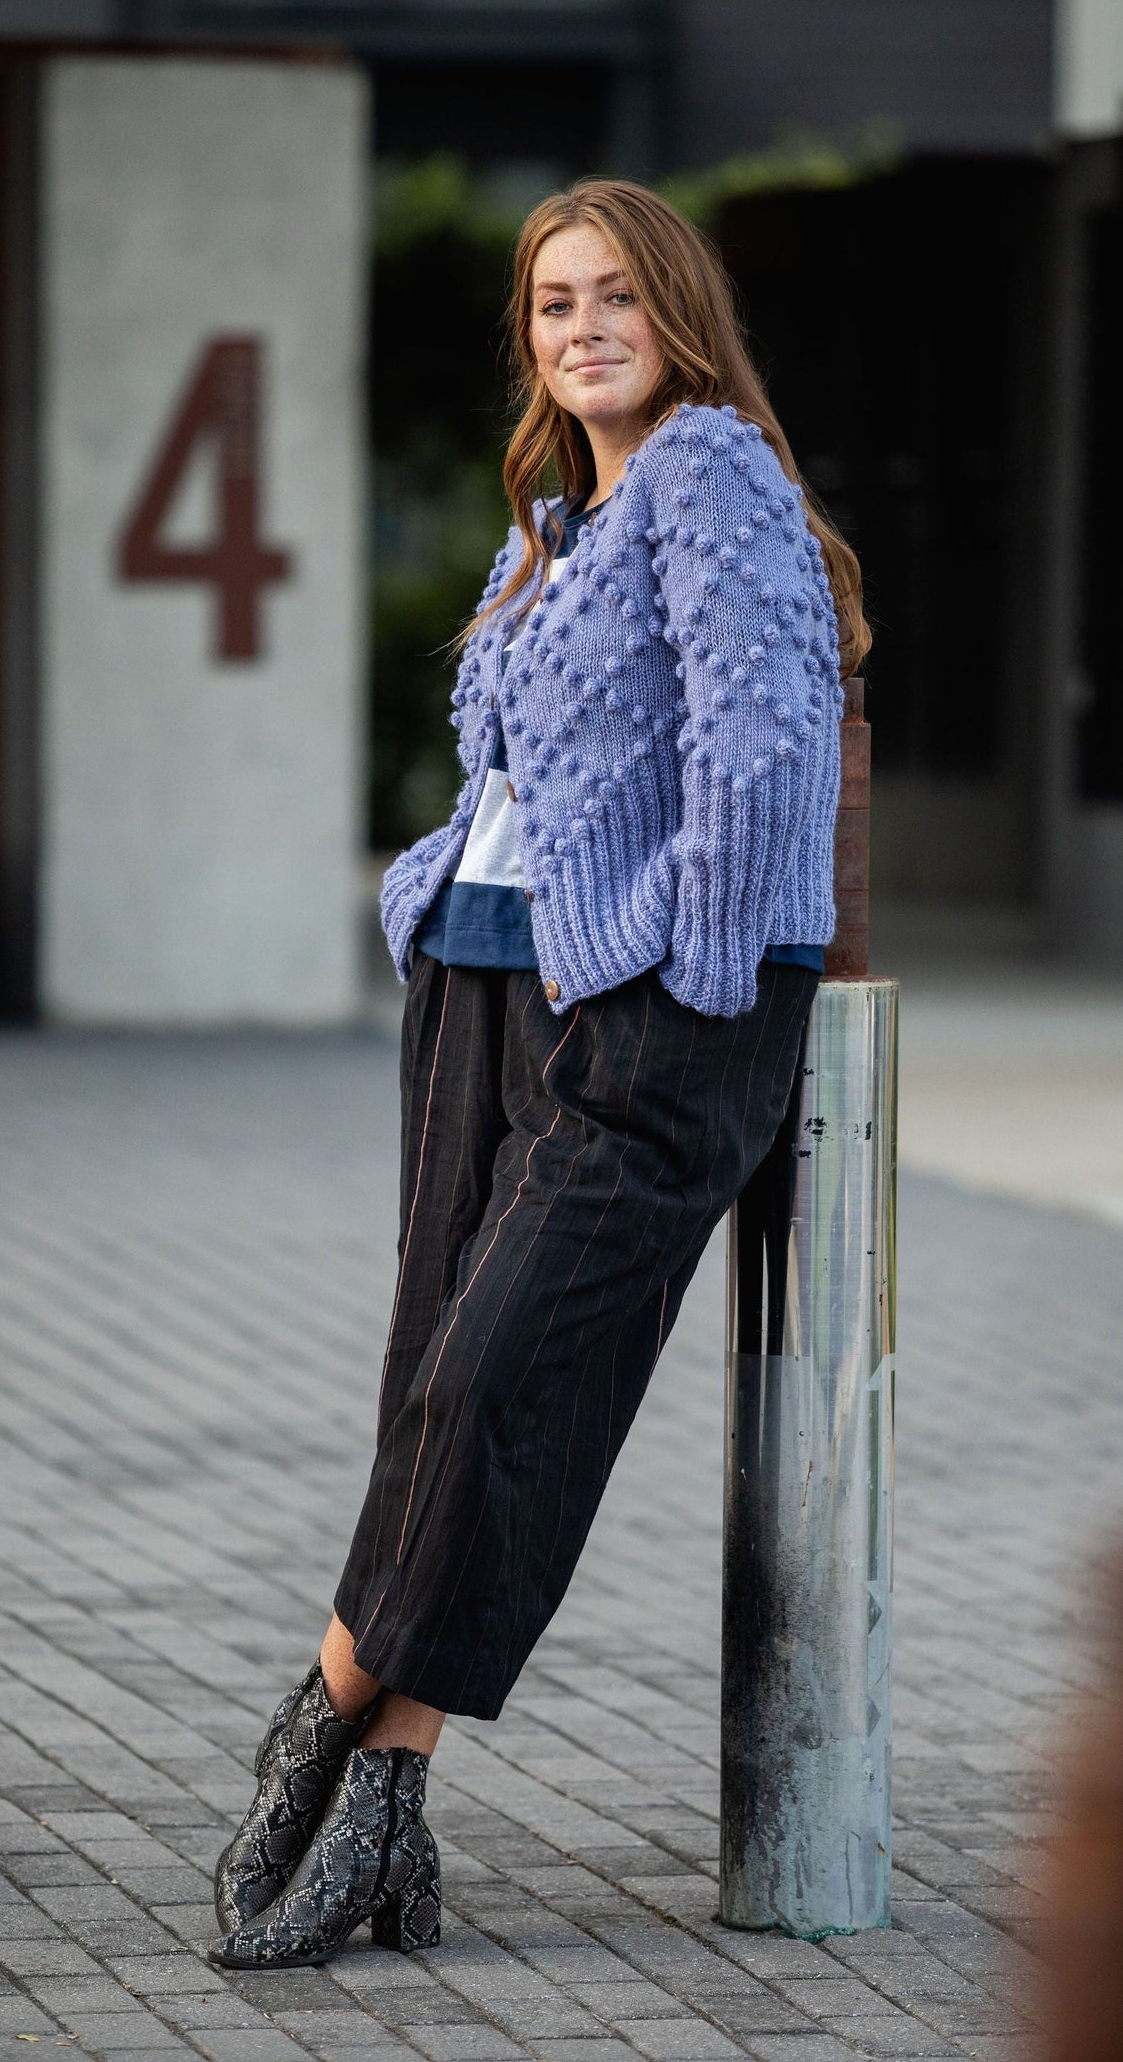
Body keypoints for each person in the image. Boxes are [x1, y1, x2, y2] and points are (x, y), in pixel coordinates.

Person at [209, 178, 869, 1972]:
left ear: (675, 312)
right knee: (434, 1386)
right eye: (550, 303)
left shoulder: (712, 474)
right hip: (483, 993)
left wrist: (687, 972)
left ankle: (315, 1721)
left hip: (646, 1005)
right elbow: (526, 784)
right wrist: (431, 893)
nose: (579, 328)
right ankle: (389, 1817)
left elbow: (766, 752)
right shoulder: (558, 519)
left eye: (612, 298)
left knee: (495, 1379)